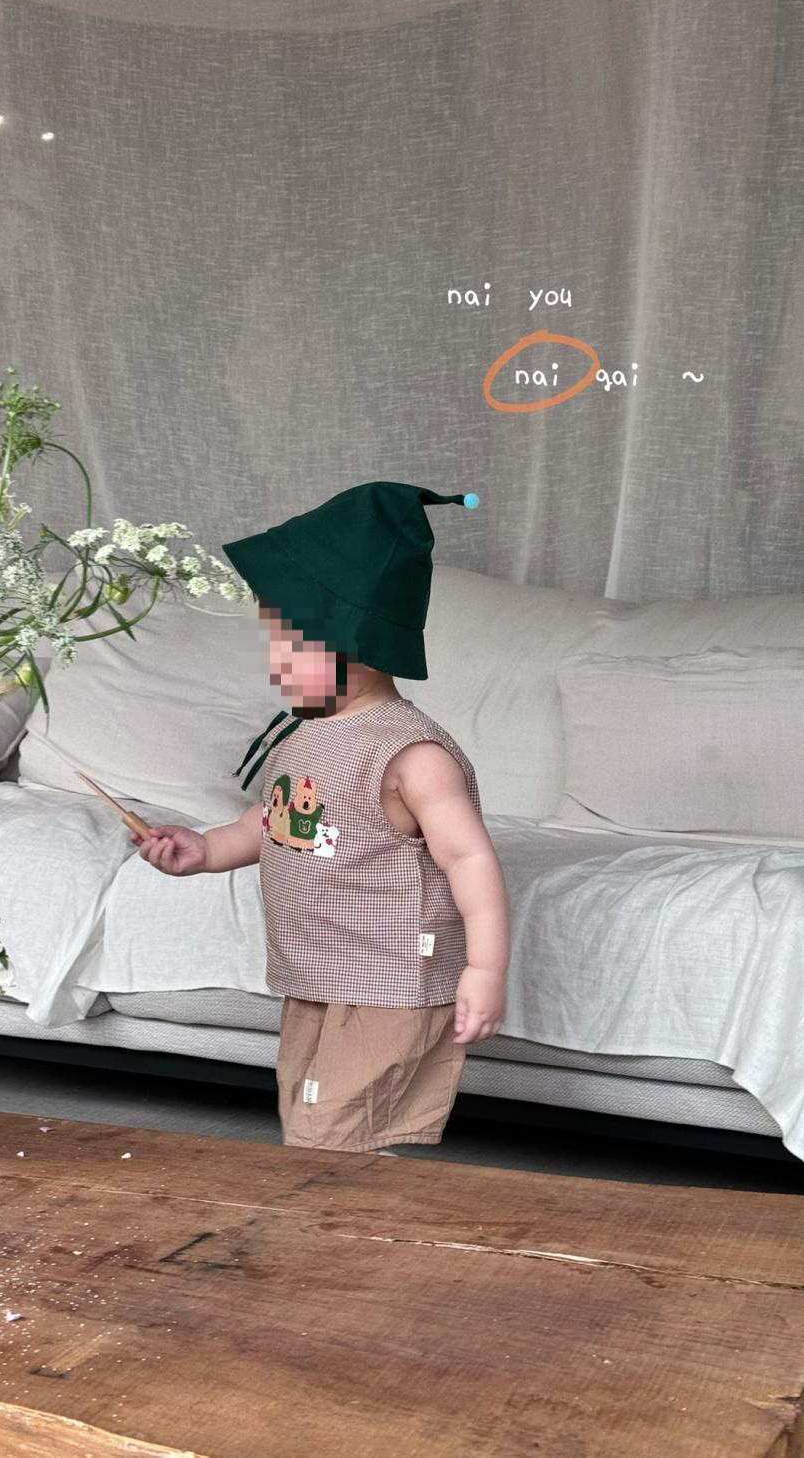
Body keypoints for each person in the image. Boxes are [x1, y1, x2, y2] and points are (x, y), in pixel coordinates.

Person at [133, 482, 510, 1154]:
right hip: (319, 970)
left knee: (329, 1130)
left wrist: (485, 969)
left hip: (392, 980)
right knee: (312, 1117)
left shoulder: (411, 754)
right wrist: (204, 850)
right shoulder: (302, 736)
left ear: (356, 644)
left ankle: (334, 1212)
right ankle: (347, 1207)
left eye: (290, 646)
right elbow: (269, 823)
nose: (274, 663)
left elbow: (469, 859)